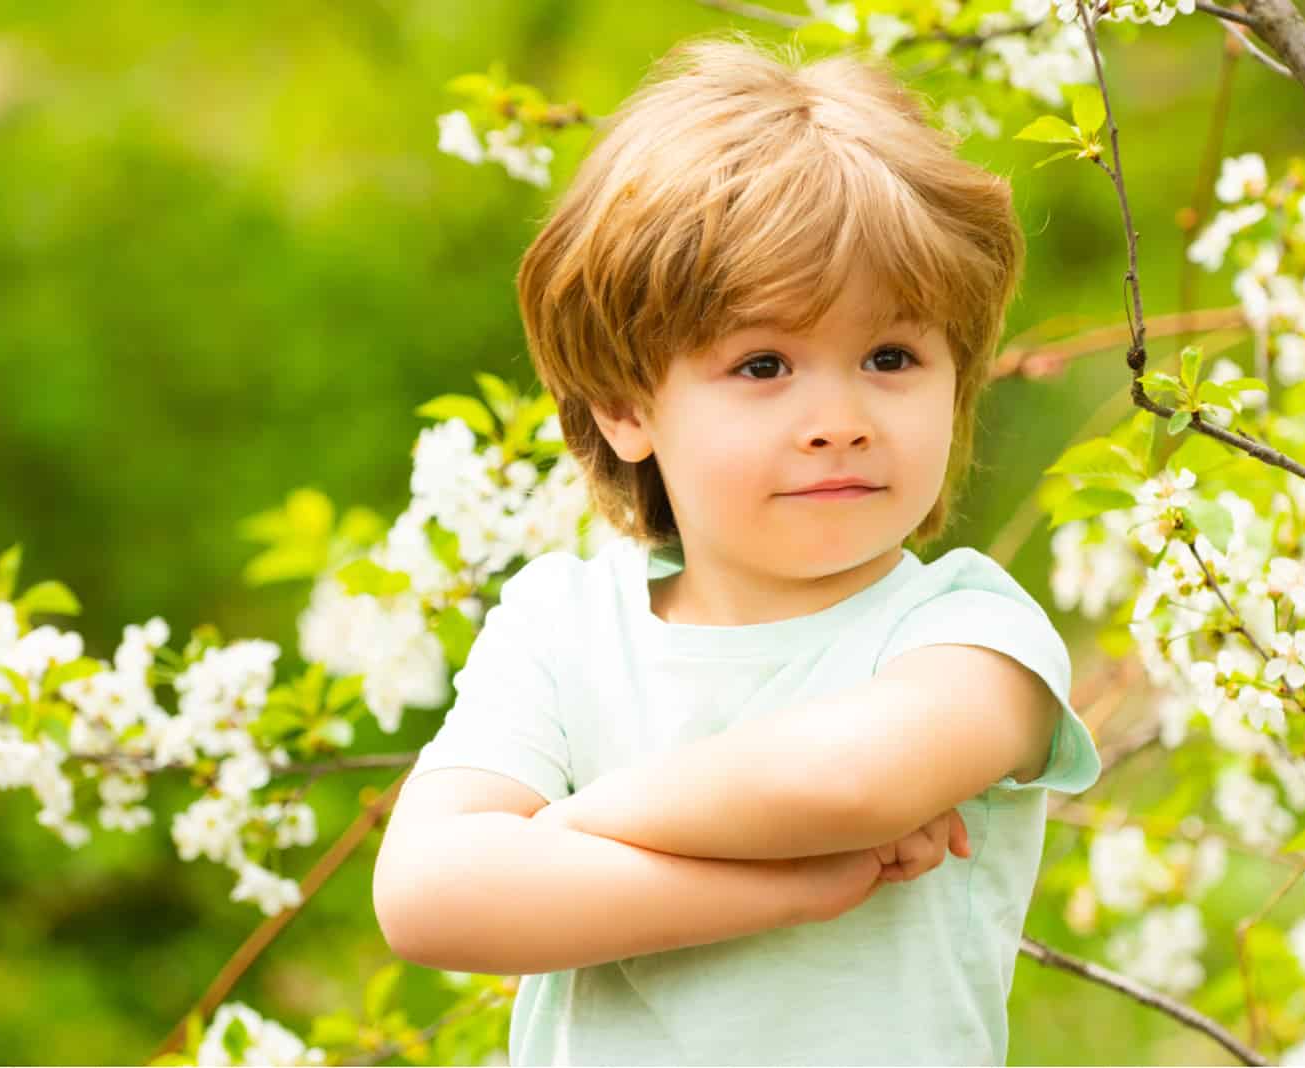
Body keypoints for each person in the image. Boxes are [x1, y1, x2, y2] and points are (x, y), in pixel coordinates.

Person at [376, 29, 1102, 1066]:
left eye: (890, 355)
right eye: (763, 364)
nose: (839, 416)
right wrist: (794, 885)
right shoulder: (563, 626)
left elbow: (846, 788)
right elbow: (426, 900)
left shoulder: (971, 639)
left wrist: (559, 837)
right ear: (627, 406)